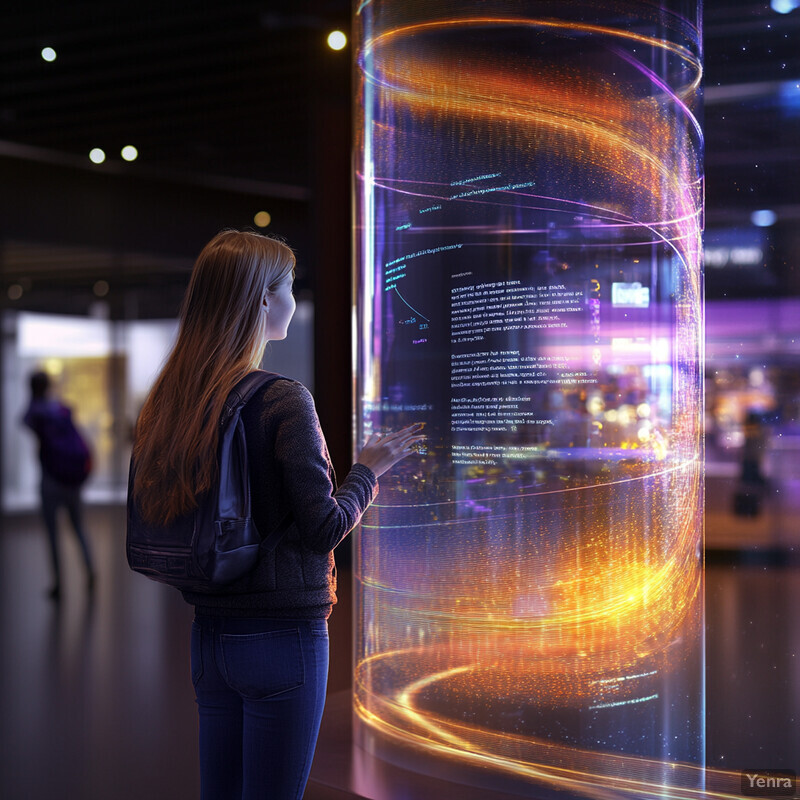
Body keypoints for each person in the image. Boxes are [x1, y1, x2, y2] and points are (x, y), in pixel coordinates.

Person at [130, 229, 422, 800]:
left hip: (209, 635)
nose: (293, 298)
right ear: (264, 299)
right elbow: (324, 528)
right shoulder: (284, 398)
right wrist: (368, 470)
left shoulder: (173, 398)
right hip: (283, 637)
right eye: (288, 287)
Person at [23, 370, 96, 600]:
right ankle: (91, 571)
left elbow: (23, 420)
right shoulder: (61, 409)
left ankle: (58, 584)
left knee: (52, 534)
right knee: (78, 528)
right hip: (71, 482)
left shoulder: (36, 412)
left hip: (50, 481)